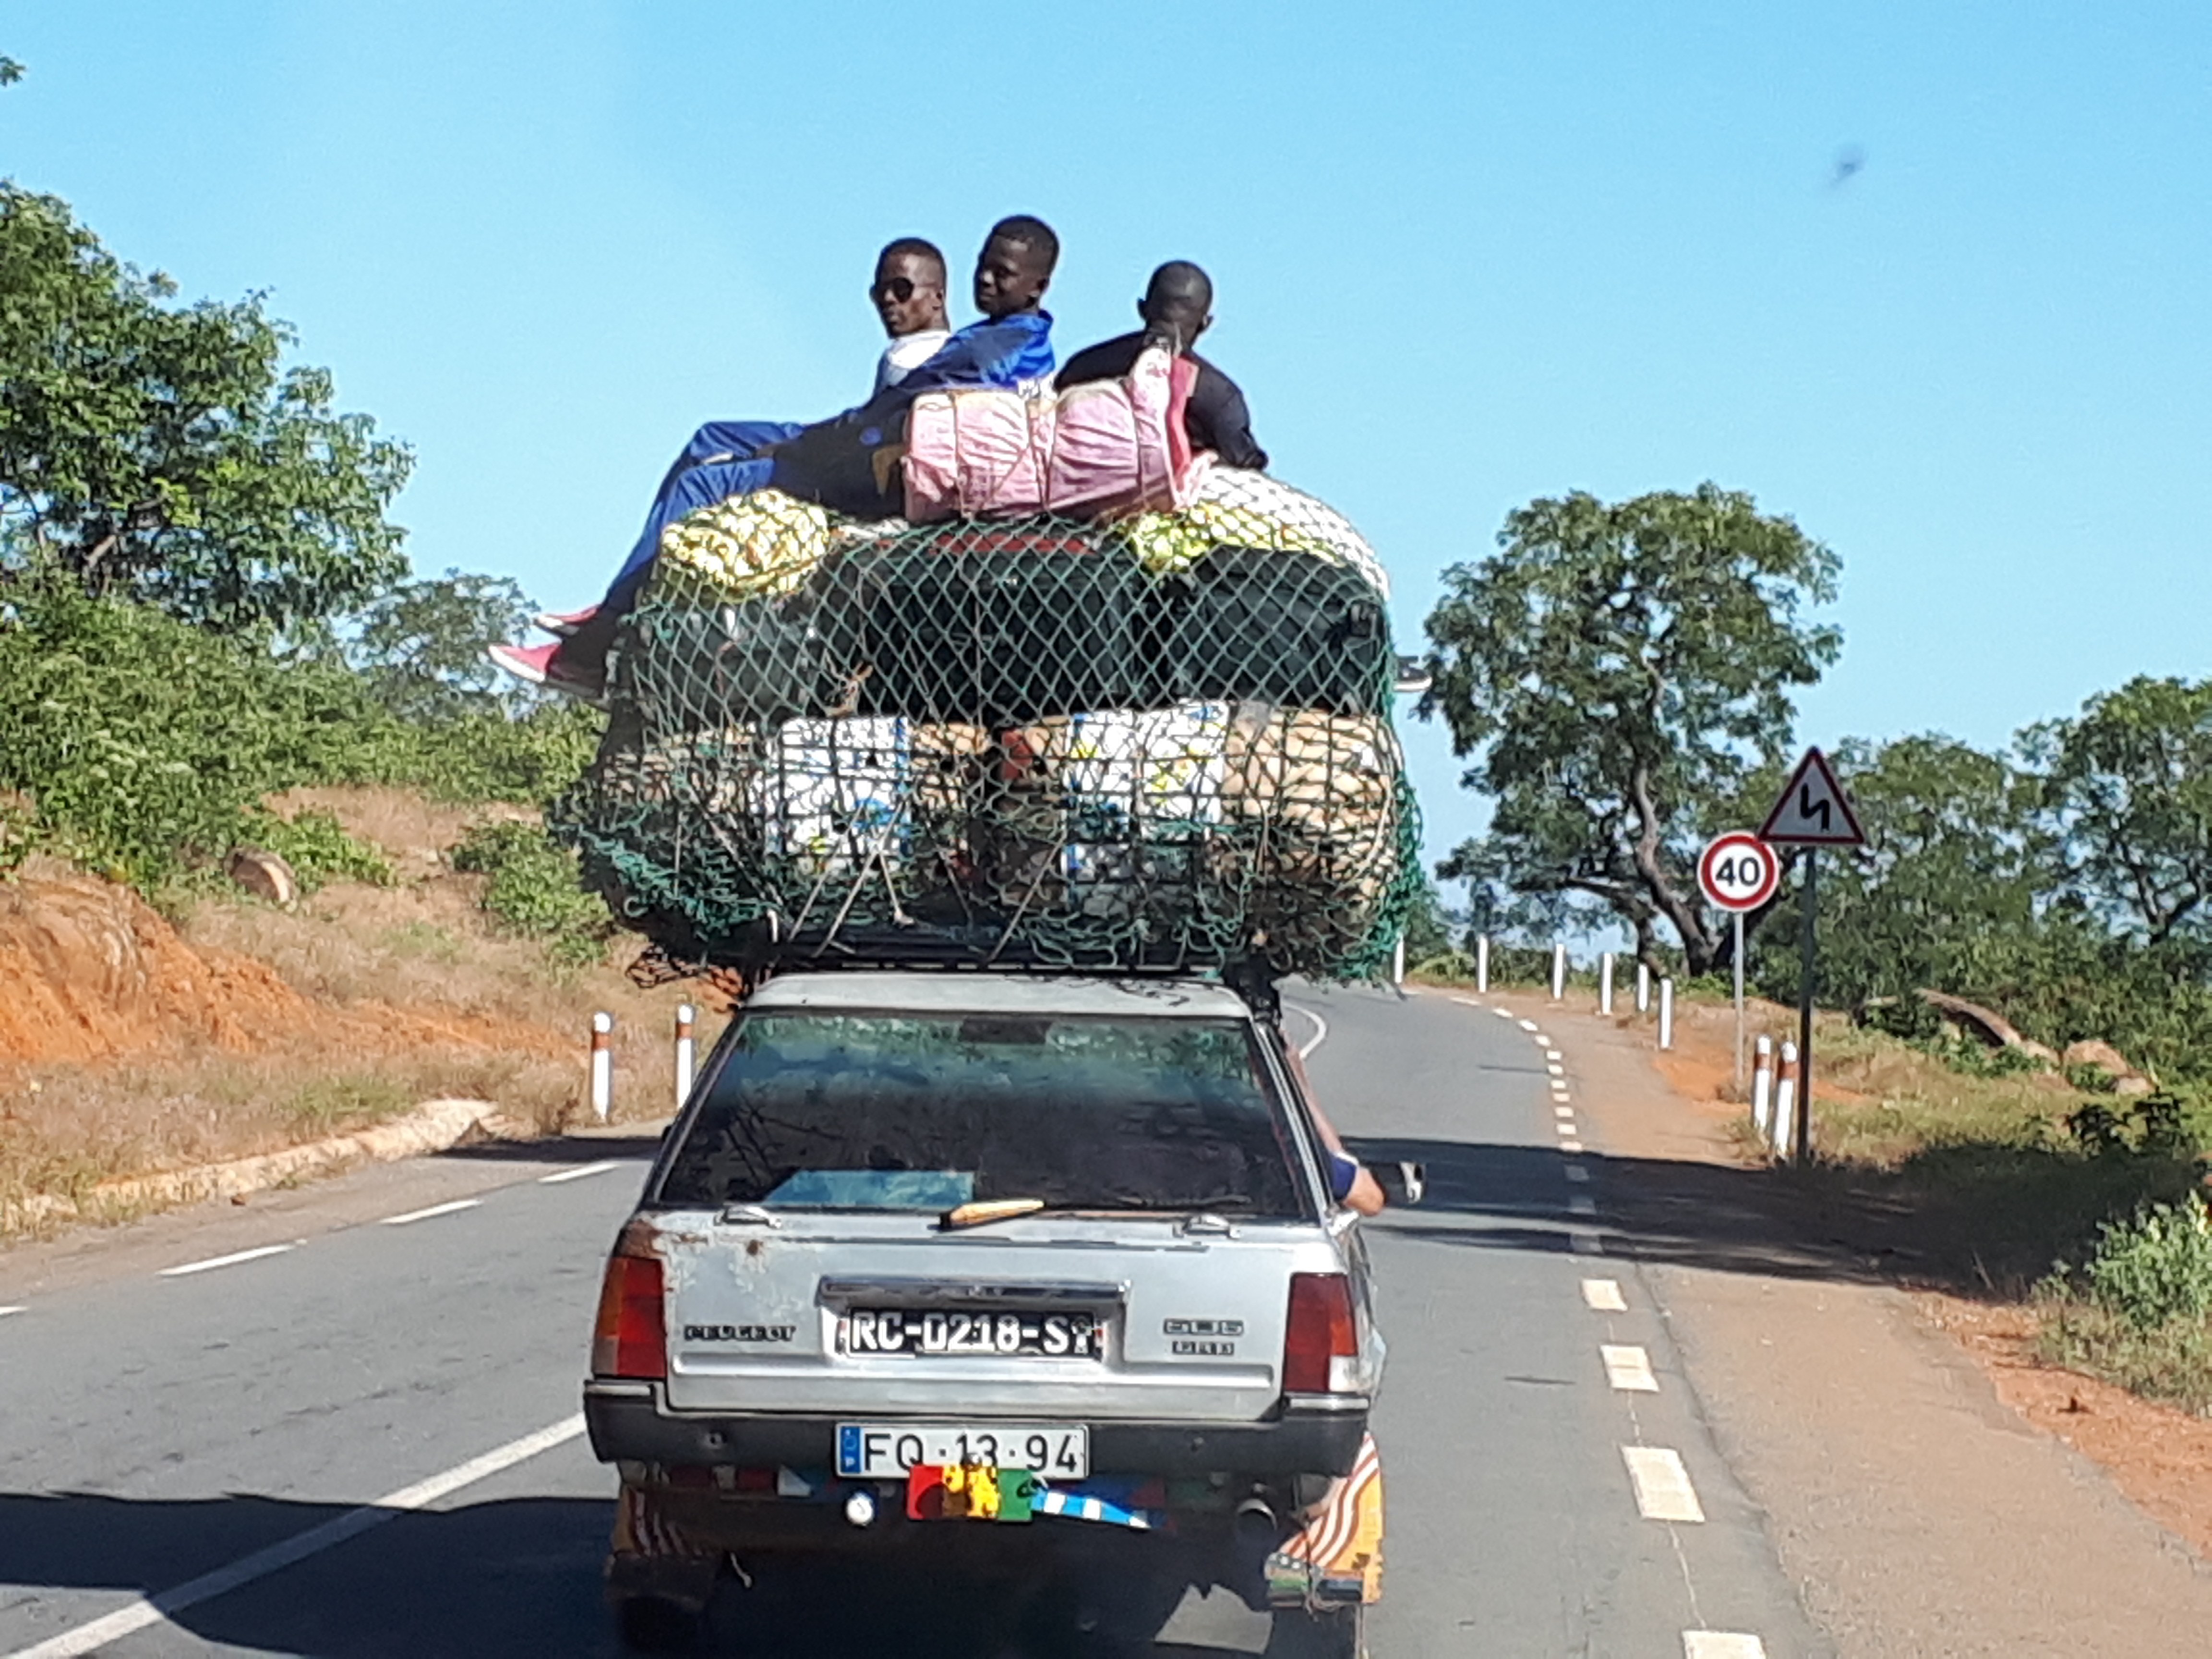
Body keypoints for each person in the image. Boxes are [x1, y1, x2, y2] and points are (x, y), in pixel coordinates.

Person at [494, 217, 1062, 700]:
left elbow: (884, 423)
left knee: (705, 487)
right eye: (982, 267)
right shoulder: (997, 336)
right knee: (709, 437)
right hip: (863, 448)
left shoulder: (993, 351)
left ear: (1036, 288)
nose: (984, 280)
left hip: (879, 477)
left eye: (1001, 274)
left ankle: (598, 645)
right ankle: (618, 598)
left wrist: (796, 449)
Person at [1056, 260, 1267, 471]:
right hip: (1177, 503)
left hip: (1078, 494)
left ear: (1142, 308)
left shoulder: (1084, 366)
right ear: (1205, 324)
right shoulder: (1219, 395)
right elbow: (1245, 465)